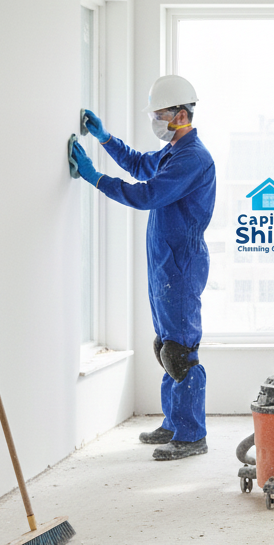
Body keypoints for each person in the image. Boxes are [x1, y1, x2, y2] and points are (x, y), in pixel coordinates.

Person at [69, 75, 216, 461]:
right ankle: (173, 422)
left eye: (160, 114)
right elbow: (138, 164)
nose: (156, 120)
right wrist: (104, 139)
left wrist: (94, 177)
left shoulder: (192, 159)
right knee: (165, 346)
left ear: (181, 114)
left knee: (180, 351)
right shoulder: (172, 152)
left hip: (181, 265)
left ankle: (191, 435)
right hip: (164, 264)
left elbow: (147, 194)